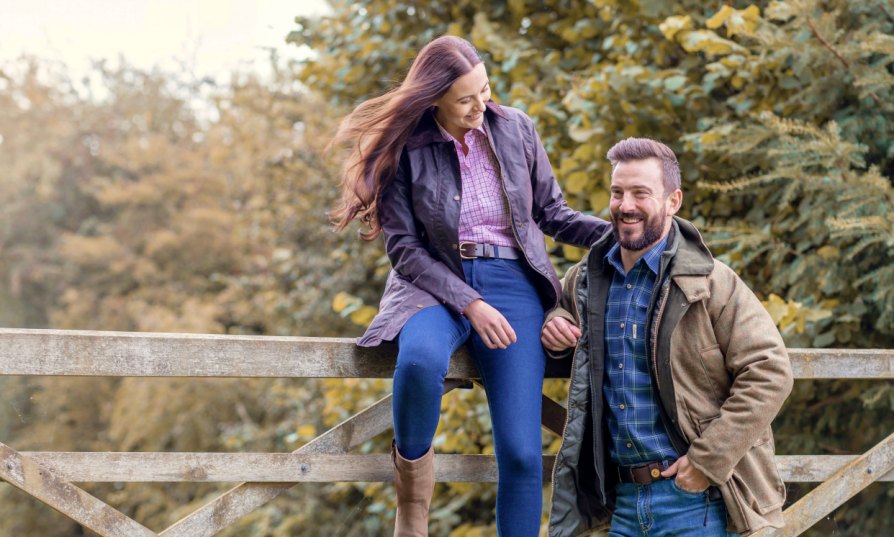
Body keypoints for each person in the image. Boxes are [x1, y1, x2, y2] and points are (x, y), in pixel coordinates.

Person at [329, 36, 610, 536]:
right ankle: (412, 508)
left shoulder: (517, 128)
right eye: (465, 99)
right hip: (432, 285)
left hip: (513, 285)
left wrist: (626, 235)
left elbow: (553, 215)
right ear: (433, 97)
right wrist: (470, 302)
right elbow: (405, 250)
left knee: (523, 454)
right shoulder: (405, 148)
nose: (481, 105)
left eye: (484, 89)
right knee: (418, 362)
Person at [541, 138, 793, 537]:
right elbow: (556, 307)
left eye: (641, 193)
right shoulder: (586, 279)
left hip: (698, 500)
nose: (625, 206)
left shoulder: (712, 282)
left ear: (673, 201)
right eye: (617, 192)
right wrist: (554, 317)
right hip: (618, 507)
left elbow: (770, 371)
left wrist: (707, 461)